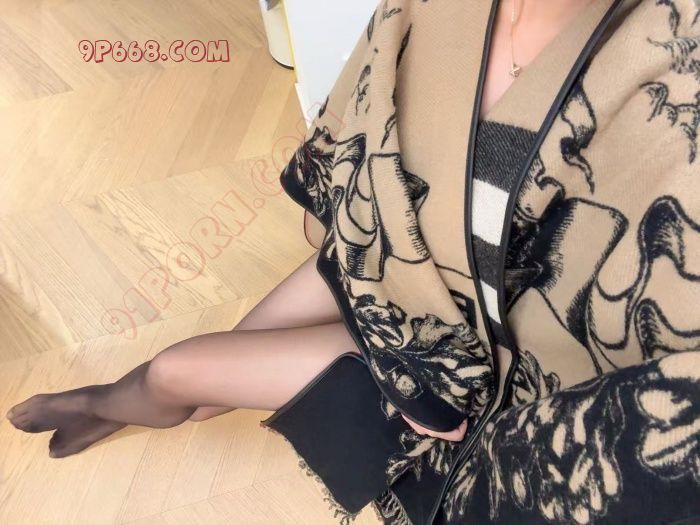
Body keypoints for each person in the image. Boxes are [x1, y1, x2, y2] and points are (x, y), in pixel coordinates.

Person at [7, 1, 700, 524]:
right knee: (201, 385)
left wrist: (426, 386)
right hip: (386, 263)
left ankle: (105, 403)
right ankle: (114, 404)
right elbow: (368, 129)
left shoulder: (672, 64)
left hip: (471, 365)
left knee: (180, 375)